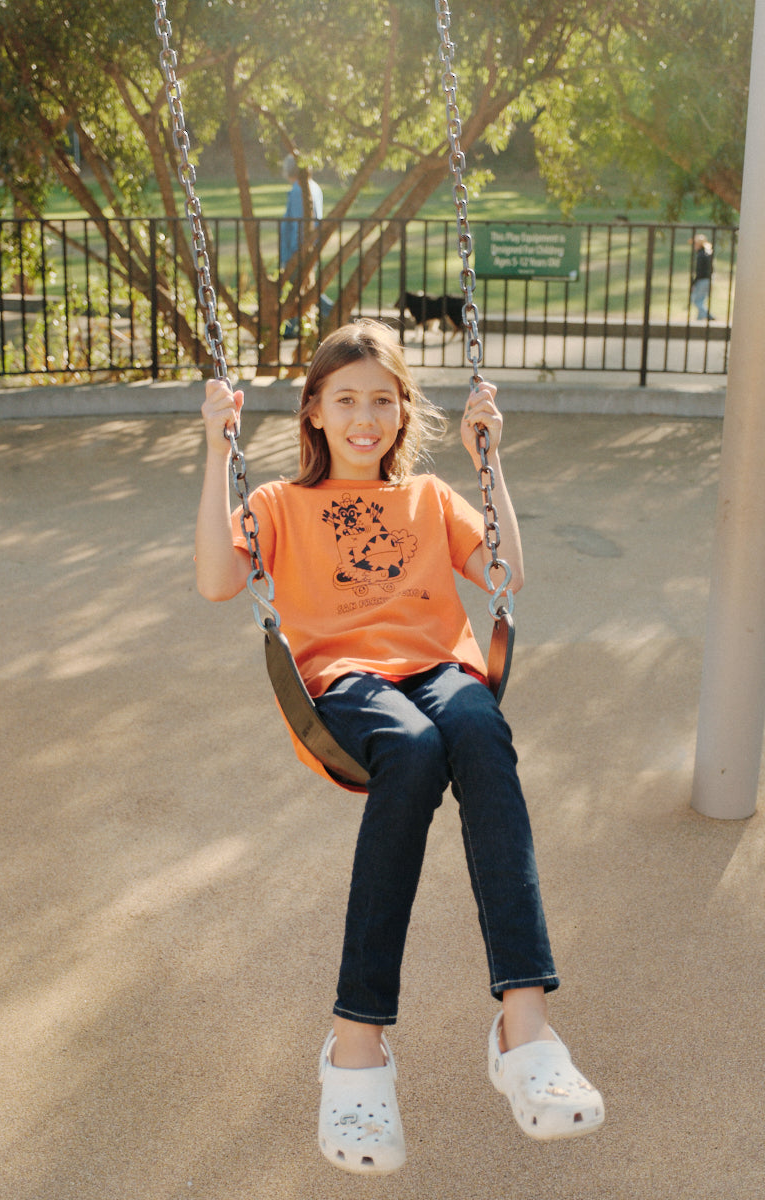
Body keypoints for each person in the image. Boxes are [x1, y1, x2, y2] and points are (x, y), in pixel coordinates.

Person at [195, 320, 605, 1175]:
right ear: (313, 412)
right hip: (345, 682)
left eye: (383, 399)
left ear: (401, 409)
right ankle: (357, 1042)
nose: (365, 417)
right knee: (414, 750)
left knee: (479, 728)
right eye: (345, 399)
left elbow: (504, 575)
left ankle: (523, 1029)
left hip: (440, 666)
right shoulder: (275, 502)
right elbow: (217, 580)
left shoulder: (425, 498)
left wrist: (487, 460)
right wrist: (215, 444)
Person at [279, 153, 333, 337]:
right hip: (309, 246)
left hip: (298, 248)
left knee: (301, 287)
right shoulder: (314, 187)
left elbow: (297, 224)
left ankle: (332, 312)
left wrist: (293, 253)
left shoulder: (298, 190)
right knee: (302, 287)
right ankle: (292, 326)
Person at [690, 234, 714, 321]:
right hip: (708, 279)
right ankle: (699, 319)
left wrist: (694, 283)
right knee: (700, 299)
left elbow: (699, 271)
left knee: (697, 300)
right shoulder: (707, 253)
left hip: (702, 280)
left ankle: (708, 315)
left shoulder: (701, 255)